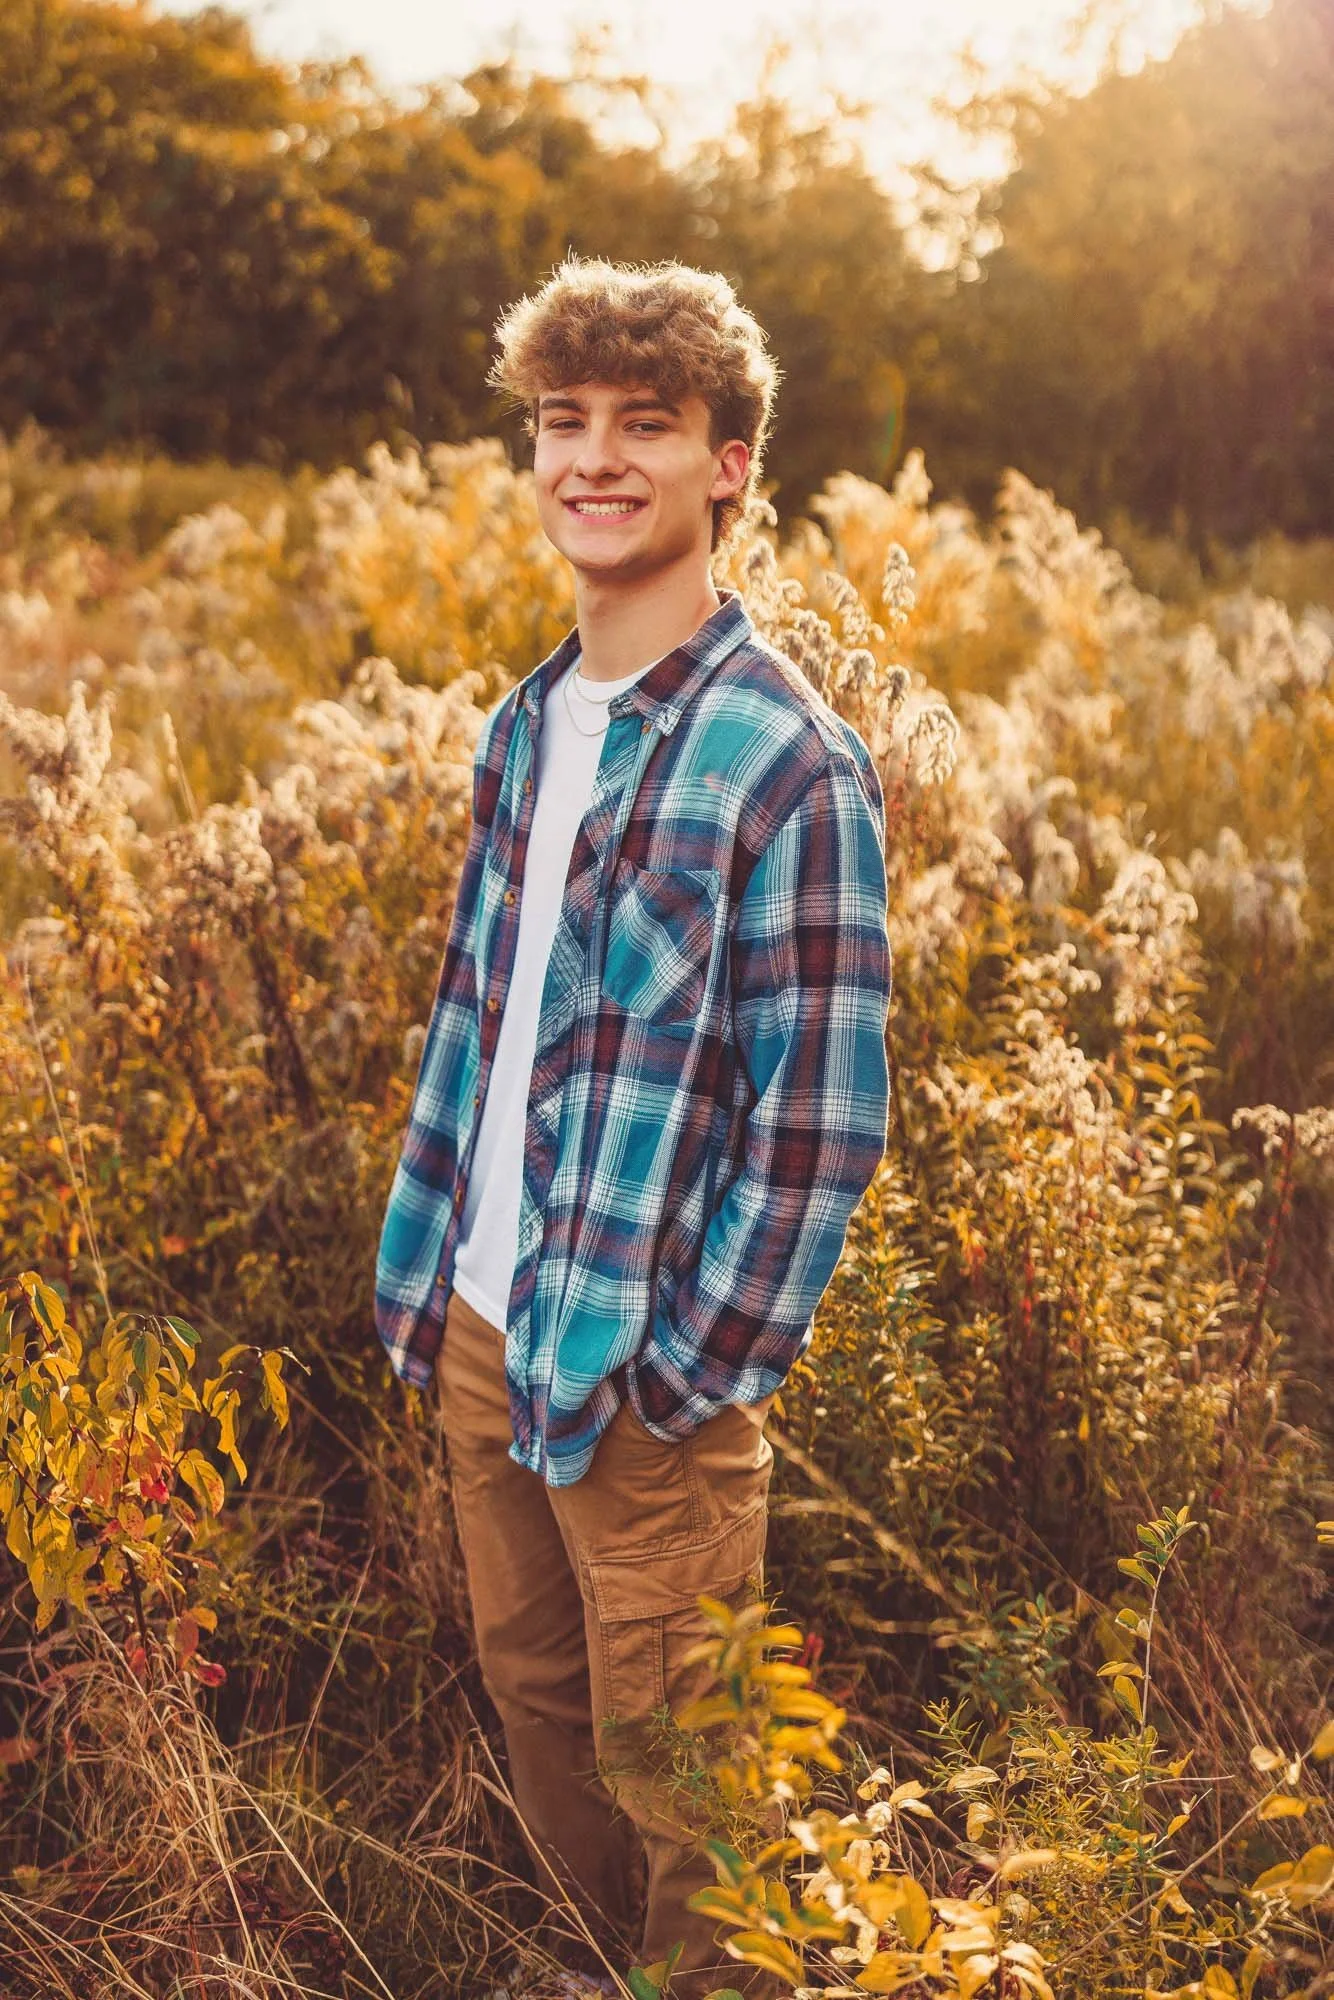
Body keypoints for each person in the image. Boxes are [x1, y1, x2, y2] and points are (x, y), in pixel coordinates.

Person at [375, 255, 892, 1998]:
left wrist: (690, 1365)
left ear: (728, 465)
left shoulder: (784, 759)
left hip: (645, 1367)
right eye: (560, 424)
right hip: (484, 1316)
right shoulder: (528, 724)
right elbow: (486, 1015)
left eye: (642, 427)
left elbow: (820, 1118)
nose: (590, 461)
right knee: (538, 1702)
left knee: (693, 1785)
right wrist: (442, 1266)